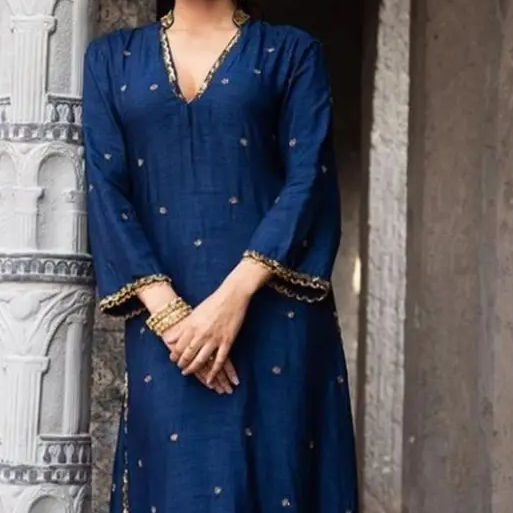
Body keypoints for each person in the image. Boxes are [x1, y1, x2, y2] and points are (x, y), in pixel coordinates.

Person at [81, 0, 358, 511]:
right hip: (167, 331)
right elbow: (105, 188)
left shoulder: (291, 52)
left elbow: (309, 181)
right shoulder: (112, 58)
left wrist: (232, 300)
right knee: (172, 484)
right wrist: (170, 315)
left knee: (274, 482)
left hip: (270, 312)